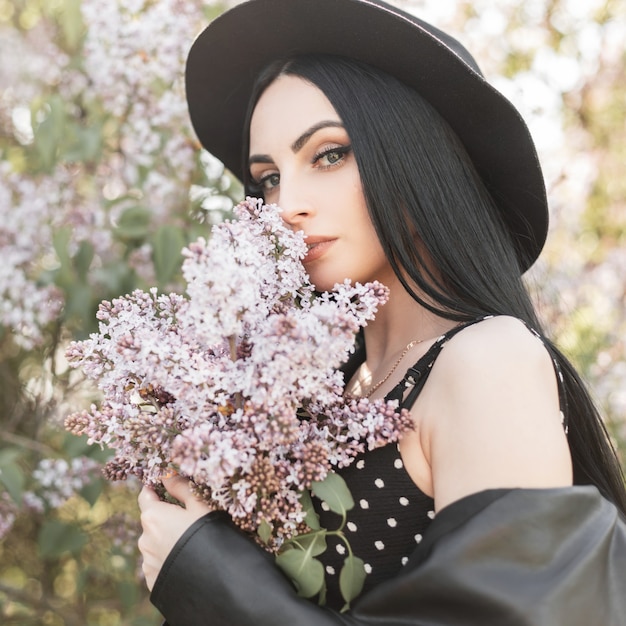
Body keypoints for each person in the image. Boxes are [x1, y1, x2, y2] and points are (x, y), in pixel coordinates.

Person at [137, 0, 626, 624]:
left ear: (416, 158)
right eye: (266, 179)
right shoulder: (318, 394)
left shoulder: (486, 361)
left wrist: (214, 583)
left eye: (329, 154)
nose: (286, 204)